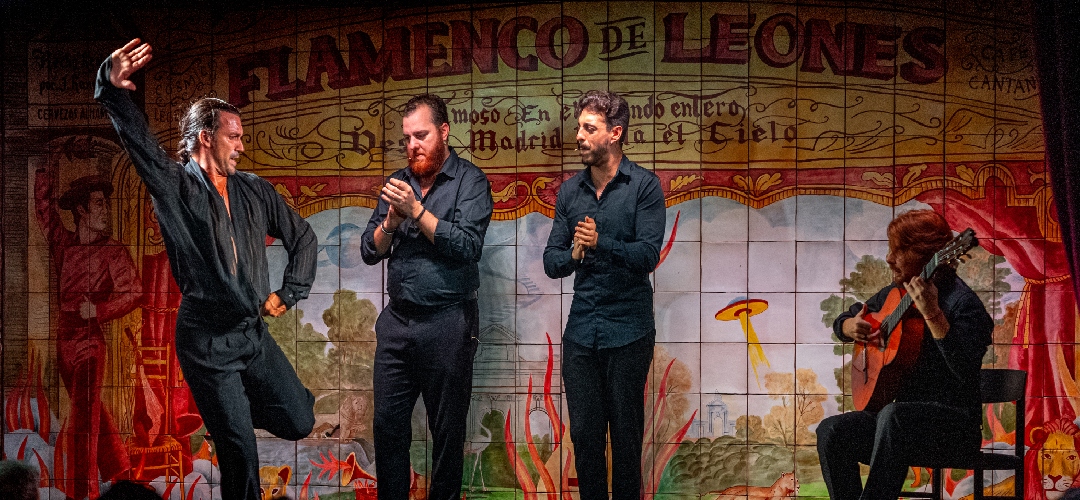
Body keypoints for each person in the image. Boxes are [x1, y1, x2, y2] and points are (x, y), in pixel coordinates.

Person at [95, 39, 317, 499]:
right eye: (233, 136)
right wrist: (113, 89)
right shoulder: (176, 187)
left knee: (299, 418)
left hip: (250, 334)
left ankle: (223, 416)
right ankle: (228, 420)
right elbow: (139, 145)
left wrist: (289, 291)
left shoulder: (254, 190)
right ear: (206, 137)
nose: (241, 145)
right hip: (207, 341)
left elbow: (304, 238)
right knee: (242, 461)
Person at [360, 94, 492, 500]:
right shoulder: (398, 186)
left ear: (444, 132)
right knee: (387, 427)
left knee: (448, 432)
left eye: (422, 135)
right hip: (398, 324)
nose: (413, 145)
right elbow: (370, 250)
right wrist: (391, 220)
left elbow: (467, 245)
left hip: (448, 322)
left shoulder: (470, 182)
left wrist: (416, 212)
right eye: (407, 138)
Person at [816, 209, 994, 500]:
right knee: (833, 430)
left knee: (893, 415)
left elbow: (964, 369)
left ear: (930, 255)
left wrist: (934, 315)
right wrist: (851, 327)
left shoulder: (965, 305)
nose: (889, 258)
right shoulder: (894, 295)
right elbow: (846, 318)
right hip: (898, 428)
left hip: (954, 432)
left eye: (899, 250)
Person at [543, 90, 666, 500]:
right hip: (582, 332)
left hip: (629, 331)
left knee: (627, 442)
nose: (578, 135)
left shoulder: (644, 187)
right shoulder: (570, 193)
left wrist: (601, 242)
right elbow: (551, 262)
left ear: (614, 133)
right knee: (586, 438)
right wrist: (575, 252)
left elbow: (648, 255)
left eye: (588, 128)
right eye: (579, 127)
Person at [34, 167, 141, 499]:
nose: (105, 211)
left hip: (90, 344)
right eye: (98, 204)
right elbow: (45, 213)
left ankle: (84, 493)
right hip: (63, 342)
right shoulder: (64, 243)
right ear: (80, 210)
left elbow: (134, 291)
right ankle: (119, 469)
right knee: (91, 410)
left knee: (84, 422)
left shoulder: (113, 252)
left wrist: (98, 311)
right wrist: (45, 170)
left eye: (106, 204)